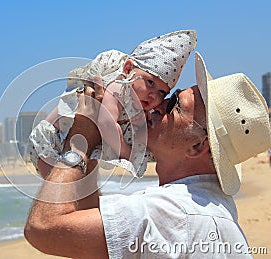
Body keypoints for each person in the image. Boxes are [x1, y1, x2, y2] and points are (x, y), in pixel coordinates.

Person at [24, 52, 271, 258]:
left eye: (174, 104)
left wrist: (78, 144)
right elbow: (89, 240)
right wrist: (94, 141)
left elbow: (43, 228)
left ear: (197, 147)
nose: (158, 104)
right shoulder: (210, 205)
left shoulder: (169, 212)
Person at [28, 30, 197, 179]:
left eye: (162, 92)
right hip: (50, 140)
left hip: (69, 142)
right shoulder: (118, 88)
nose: (153, 94)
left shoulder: (135, 103)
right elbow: (104, 121)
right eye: (150, 83)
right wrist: (125, 150)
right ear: (128, 69)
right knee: (60, 189)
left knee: (71, 190)